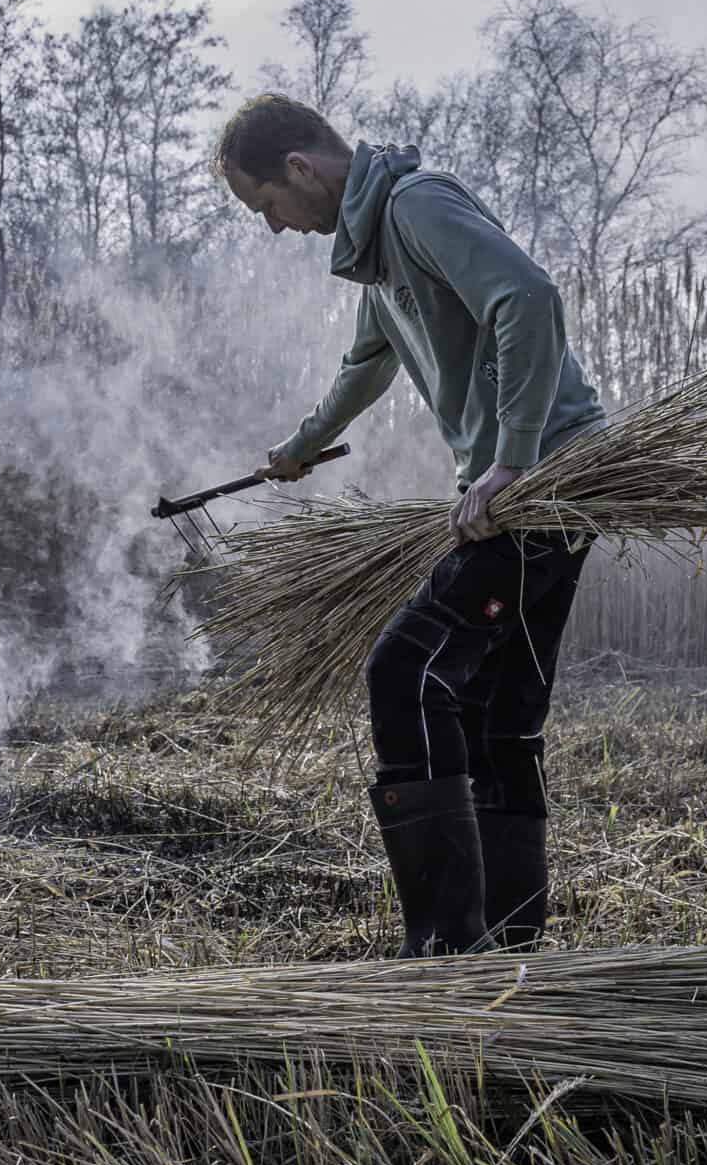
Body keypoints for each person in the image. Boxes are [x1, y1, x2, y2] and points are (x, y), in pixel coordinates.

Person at [215, 93, 606, 956]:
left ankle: (446, 949)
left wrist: (510, 457)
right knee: (498, 712)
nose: (275, 228)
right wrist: (298, 447)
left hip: (544, 485)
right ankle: (508, 946)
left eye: (266, 207)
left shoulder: (416, 206)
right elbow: (367, 365)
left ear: (301, 171)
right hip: (535, 489)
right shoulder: (379, 251)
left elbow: (528, 299)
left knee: (406, 672)